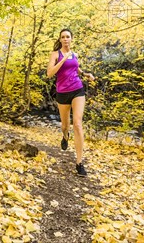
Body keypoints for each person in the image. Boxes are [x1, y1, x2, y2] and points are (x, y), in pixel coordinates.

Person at [46, 28, 95, 177]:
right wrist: (63, 58)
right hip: (62, 93)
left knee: (78, 124)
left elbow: (76, 69)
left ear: (71, 39)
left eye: (68, 36)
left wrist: (86, 74)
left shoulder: (75, 54)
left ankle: (79, 163)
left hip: (77, 90)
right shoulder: (56, 54)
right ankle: (65, 136)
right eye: (63, 37)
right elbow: (49, 74)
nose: (66, 39)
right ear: (60, 40)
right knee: (65, 125)